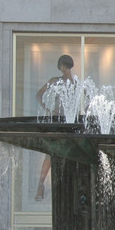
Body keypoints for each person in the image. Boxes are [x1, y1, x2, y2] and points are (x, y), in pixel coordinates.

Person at [34, 54, 75, 201]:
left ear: (64, 66)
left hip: (70, 122)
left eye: (62, 66)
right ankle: (41, 184)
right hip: (58, 121)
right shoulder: (57, 81)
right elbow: (39, 95)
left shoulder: (75, 84)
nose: (62, 69)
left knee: (62, 154)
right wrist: (48, 110)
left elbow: (39, 95)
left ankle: (48, 185)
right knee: (50, 153)